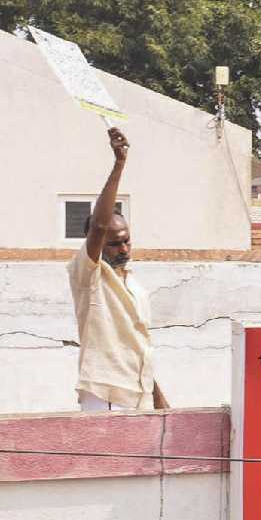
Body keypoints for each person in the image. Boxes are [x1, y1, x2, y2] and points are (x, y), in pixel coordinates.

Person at [67, 128, 168, 411]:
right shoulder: (88, 276)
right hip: (106, 396)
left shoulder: (134, 285)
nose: (123, 249)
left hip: (139, 396)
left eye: (127, 241)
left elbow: (137, 348)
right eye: (114, 244)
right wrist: (119, 163)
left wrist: (159, 399)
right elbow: (99, 226)